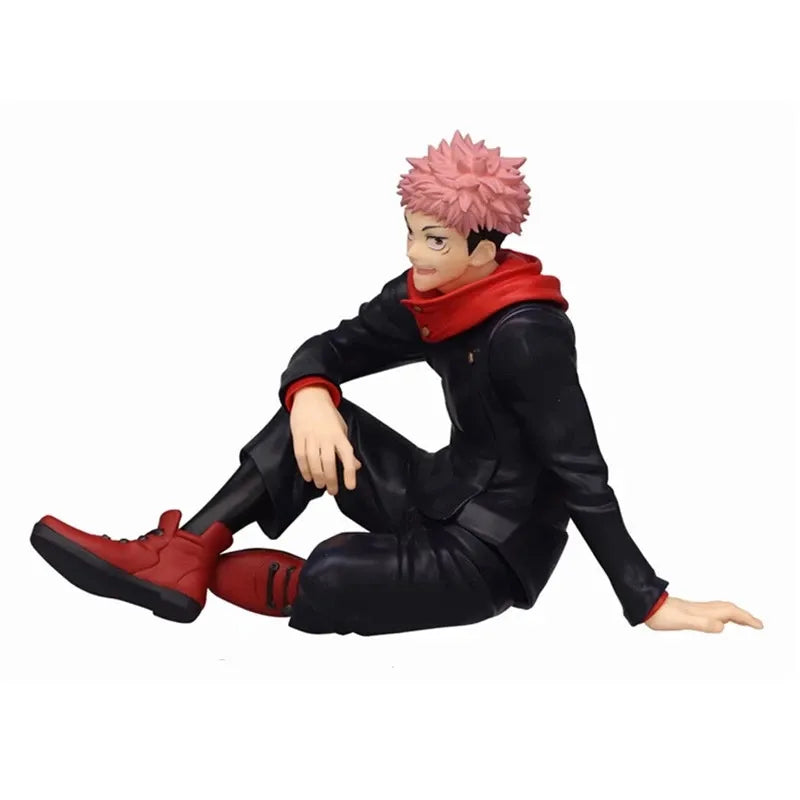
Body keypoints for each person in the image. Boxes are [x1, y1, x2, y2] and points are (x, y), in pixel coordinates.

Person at [30, 131, 763, 636]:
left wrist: (648, 599)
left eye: (435, 240)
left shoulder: (528, 333)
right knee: (314, 422)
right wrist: (311, 393)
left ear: (484, 249)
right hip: (433, 491)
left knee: (335, 569)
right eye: (410, 231)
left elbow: (582, 474)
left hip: (490, 554)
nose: (416, 253)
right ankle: (184, 553)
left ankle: (258, 584)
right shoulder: (430, 295)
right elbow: (331, 347)